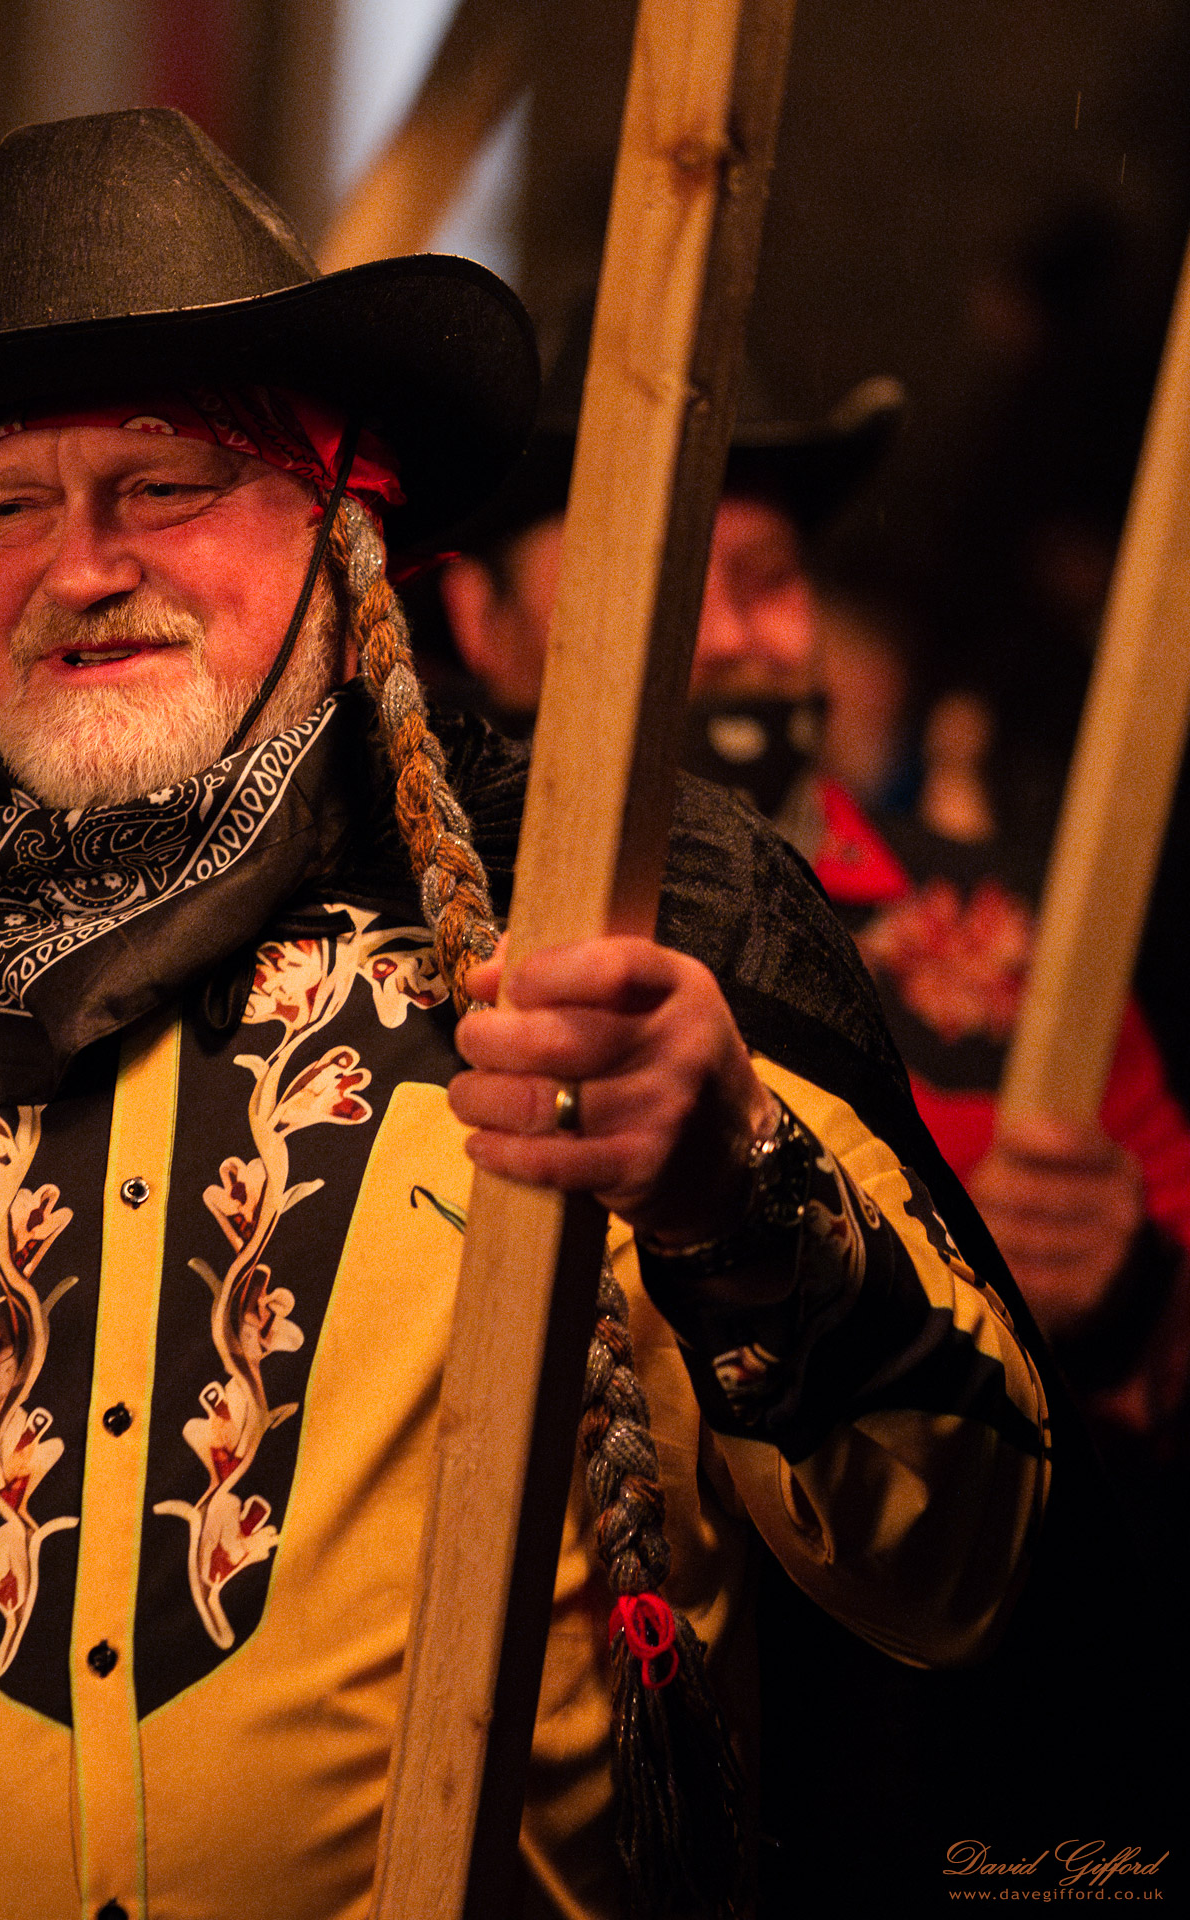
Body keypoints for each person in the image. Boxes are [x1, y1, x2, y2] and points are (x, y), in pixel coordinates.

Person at [0, 112, 1068, 1918]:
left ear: (345, 530)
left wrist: (737, 1201)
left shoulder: (617, 906)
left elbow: (961, 1565)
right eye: (10, 506)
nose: (84, 566)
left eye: (164, 485)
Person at [435, 348, 1190, 1550]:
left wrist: (1133, 1297)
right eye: (658, 577)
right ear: (481, 618)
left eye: (770, 578)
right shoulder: (398, 938)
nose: (733, 637)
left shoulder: (1012, 951)